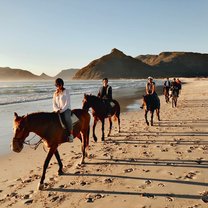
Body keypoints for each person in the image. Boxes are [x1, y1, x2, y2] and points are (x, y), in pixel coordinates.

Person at [53, 78, 73, 142]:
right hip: (57, 110)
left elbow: (67, 103)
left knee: (67, 118)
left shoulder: (66, 91)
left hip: (66, 109)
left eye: (59, 85)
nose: (58, 86)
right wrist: (57, 110)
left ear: (62, 84)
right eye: (57, 85)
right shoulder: (55, 93)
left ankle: (71, 135)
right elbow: (54, 104)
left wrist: (61, 110)